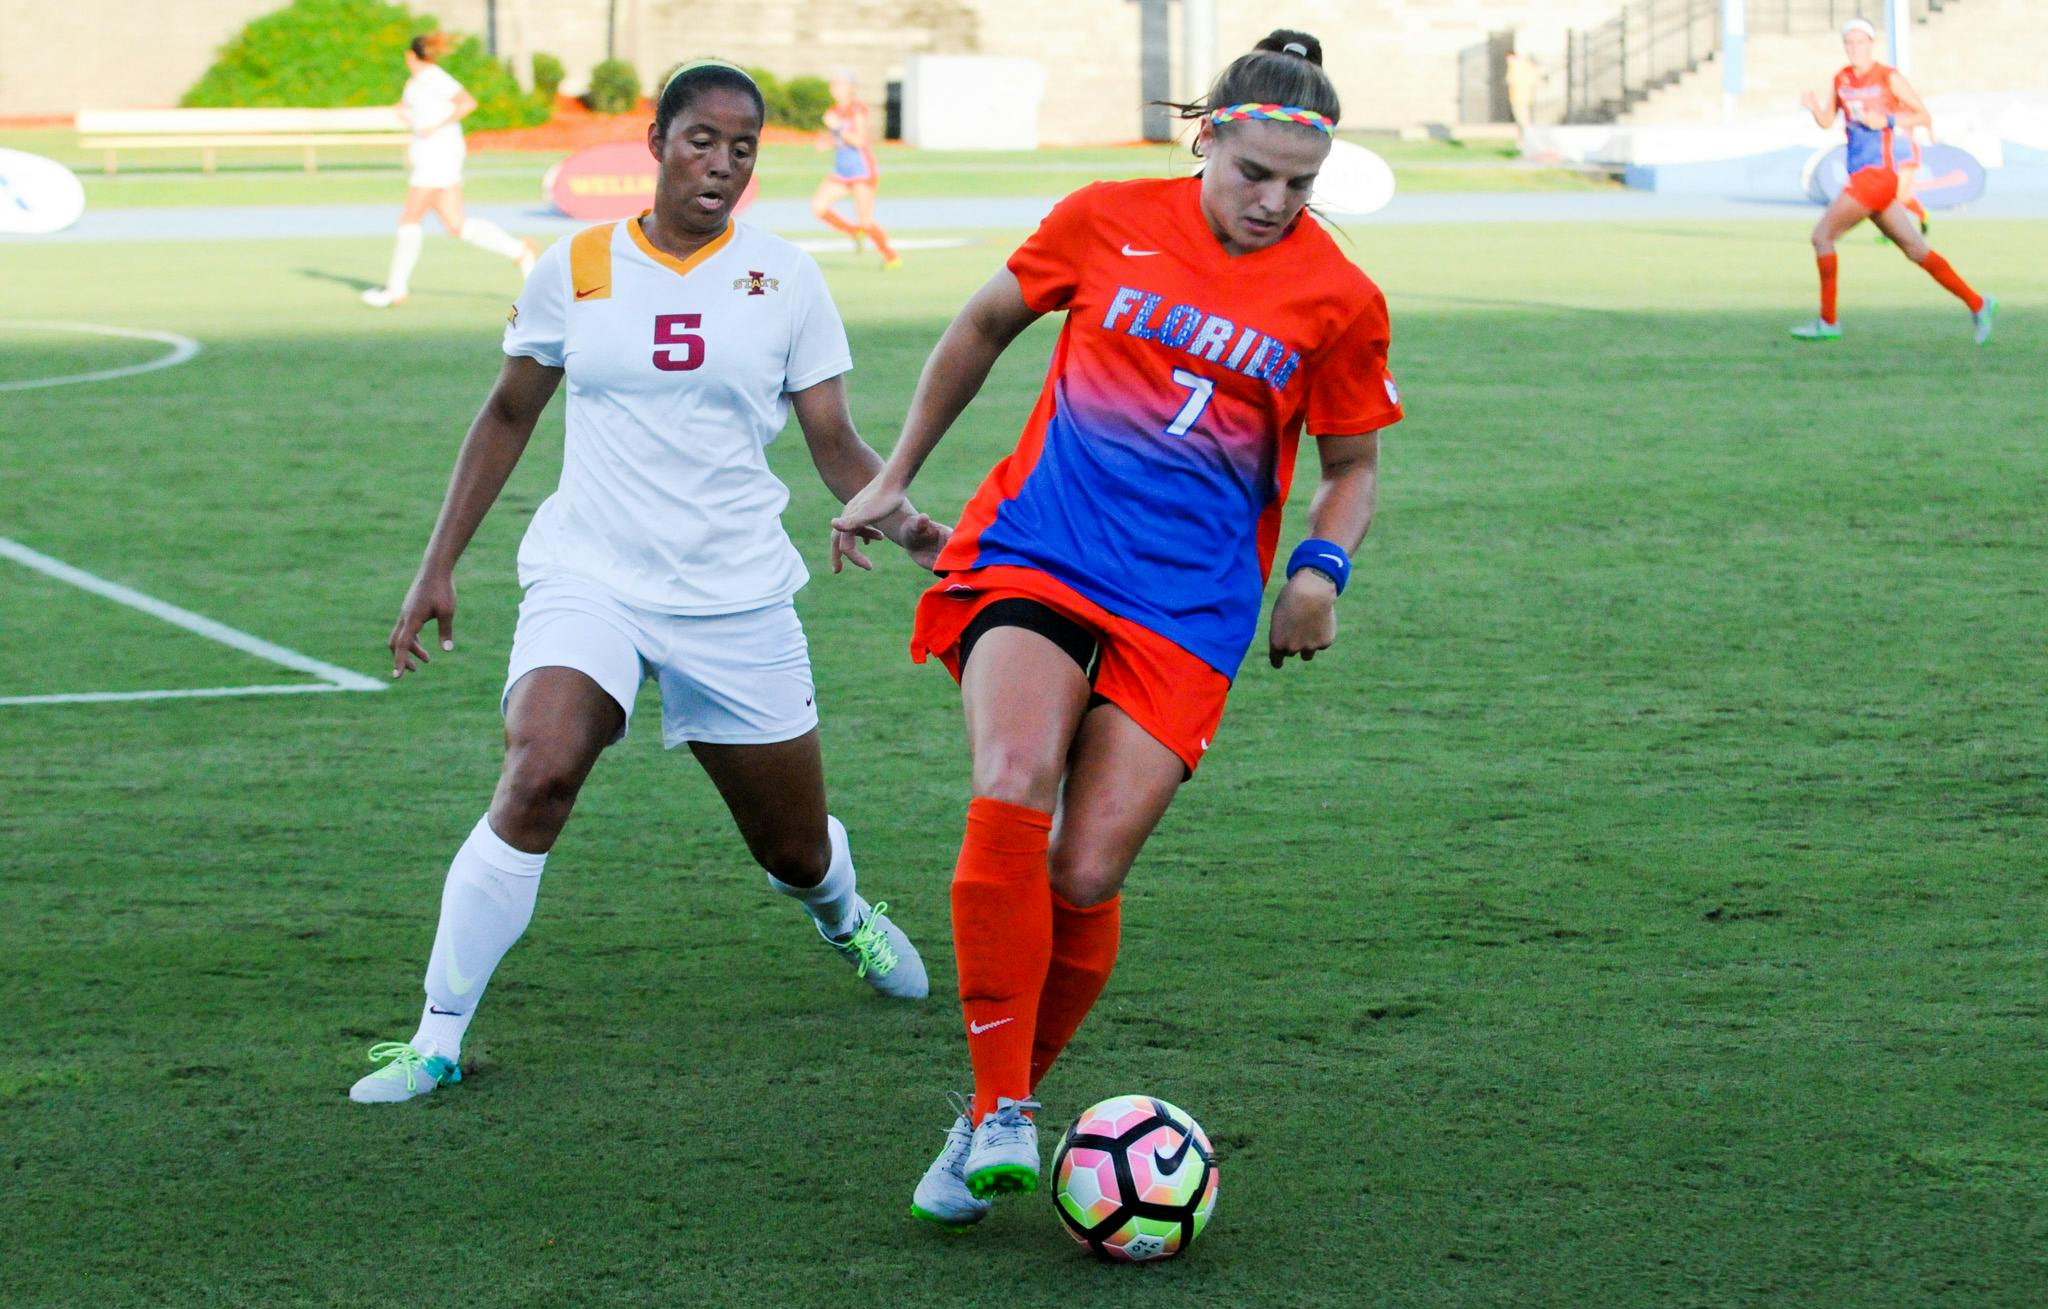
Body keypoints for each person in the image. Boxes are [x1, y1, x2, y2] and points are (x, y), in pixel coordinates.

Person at [830, 30, 1402, 1227]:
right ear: (1207, 138)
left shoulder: (1339, 296)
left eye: (1298, 185)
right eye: (1253, 172)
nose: (1272, 202)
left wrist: (1319, 571)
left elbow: (1349, 465)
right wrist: (895, 474)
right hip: (1040, 549)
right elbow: (984, 324)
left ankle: (996, 1095)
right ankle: (1000, 1115)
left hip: (1189, 602)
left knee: (1084, 869)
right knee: (1013, 772)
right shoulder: (1103, 215)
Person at [350, 60, 947, 1104]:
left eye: (743, 148)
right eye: (701, 141)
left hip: (734, 592)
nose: (721, 164)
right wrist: (436, 562)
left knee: (794, 846)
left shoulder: (788, 278)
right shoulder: (573, 266)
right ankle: (435, 1036)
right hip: (592, 573)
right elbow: (506, 414)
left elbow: (836, 444)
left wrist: (915, 534)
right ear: (658, 143)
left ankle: (843, 915)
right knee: (539, 770)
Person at [1792, 19, 1994, 344]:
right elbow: (1829, 121)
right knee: (1916, 250)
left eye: (1860, 42)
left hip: (1878, 175)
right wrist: (1815, 107)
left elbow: (1923, 115)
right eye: (1850, 43)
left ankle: (1828, 322)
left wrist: (1885, 119)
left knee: (1821, 237)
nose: (1855, 48)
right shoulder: (1841, 78)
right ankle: (1979, 303)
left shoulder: (1888, 77)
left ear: (1871, 44)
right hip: (1862, 175)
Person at [362, 31, 538, 308]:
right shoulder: (415, 83)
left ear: (410, 55)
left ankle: (395, 290)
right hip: (429, 156)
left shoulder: (434, 77)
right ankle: (520, 251)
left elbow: (467, 103)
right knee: (457, 226)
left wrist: (435, 126)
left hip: (440, 155)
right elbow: (412, 110)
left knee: (409, 220)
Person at [810, 70, 899, 268]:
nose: (835, 88)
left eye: (841, 83)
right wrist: (828, 142)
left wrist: (838, 127)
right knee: (819, 207)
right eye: (833, 83)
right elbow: (841, 140)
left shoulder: (857, 109)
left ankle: (891, 257)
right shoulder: (834, 111)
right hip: (842, 171)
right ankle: (853, 231)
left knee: (866, 221)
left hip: (861, 172)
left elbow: (859, 141)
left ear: (851, 87)